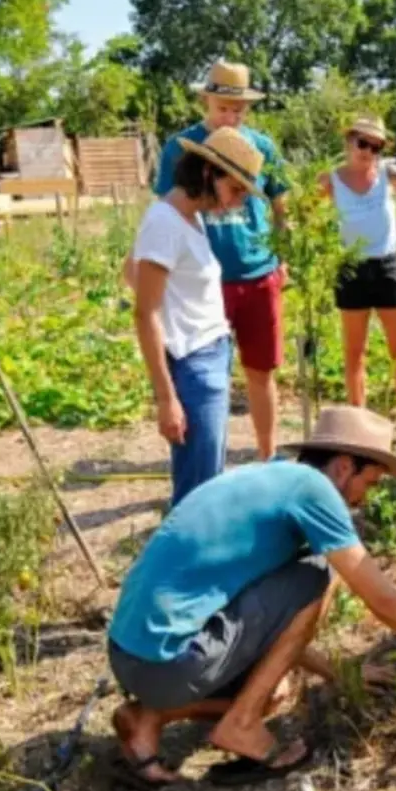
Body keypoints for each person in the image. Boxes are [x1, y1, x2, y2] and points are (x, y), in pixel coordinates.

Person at [107, 405, 396, 789]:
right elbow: (382, 600)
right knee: (318, 573)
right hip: (169, 661)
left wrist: (339, 672)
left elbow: (273, 624)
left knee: (274, 693)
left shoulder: (269, 478)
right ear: (343, 467)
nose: (366, 497)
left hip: (130, 655)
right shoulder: (315, 490)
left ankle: (149, 717)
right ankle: (240, 726)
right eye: (370, 483)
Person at [154, 60, 289, 462]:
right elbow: (167, 209)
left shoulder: (261, 148)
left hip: (258, 272)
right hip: (199, 281)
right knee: (201, 375)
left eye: (238, 109)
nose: (230, 116)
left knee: (261, 371)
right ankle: (203, 459)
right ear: (205, 101)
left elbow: (280, 208)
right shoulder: (180, 149)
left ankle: (267, 456)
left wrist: (283, 258)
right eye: (222, 107)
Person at [125, 127, 264, 507]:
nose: (237, 202)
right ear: (207, 174)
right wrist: (166, 397)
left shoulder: (191, 218)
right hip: (193, 365)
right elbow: (144, 312)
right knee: (197, 495)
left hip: (212, 352)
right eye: (235, 190)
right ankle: (185, 563)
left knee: (208, 482)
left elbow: (130, 270)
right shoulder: (165, 222)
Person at [318, 115, 396, 435]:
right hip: (351, 267)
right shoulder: (330, 180)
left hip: (387, 266)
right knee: (354, 353)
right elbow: (303, 211)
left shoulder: (389, 174)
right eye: (362, 143)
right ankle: (358, 427)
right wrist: (325, 243)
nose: (368, 151)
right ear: (348, 142)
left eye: (376, 146)